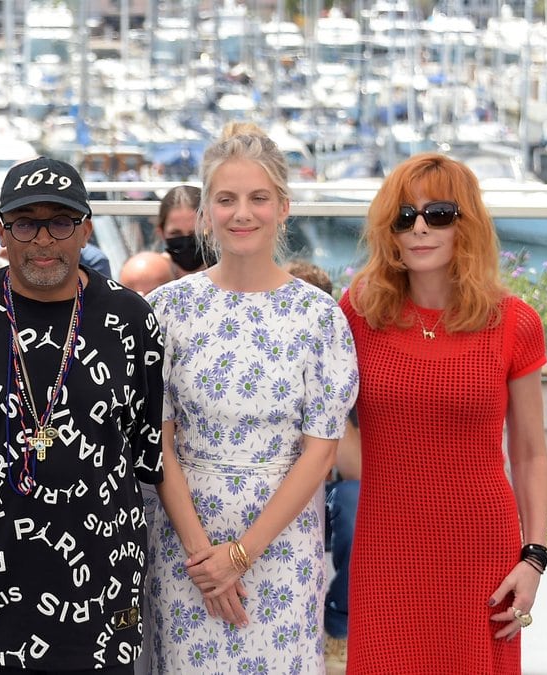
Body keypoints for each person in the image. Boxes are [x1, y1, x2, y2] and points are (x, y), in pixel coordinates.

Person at [0, 155, 164, 672]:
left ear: (86, 230)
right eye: (26, 223)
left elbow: (143, 448)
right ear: (1, 231)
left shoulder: (133, 322)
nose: (44, 240)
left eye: (61, 221)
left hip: (100, 589)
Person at [142, 123, 358, 673]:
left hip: (281, 550)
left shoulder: (319, 317)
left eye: (258, 198)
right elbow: (158, 441)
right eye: (227, 199)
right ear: (207, 211)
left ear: (283, 207)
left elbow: (322, 452)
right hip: (186, 549)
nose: (243, 213)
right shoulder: (168, 309)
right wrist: (204, 562)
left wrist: (240, 555)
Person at [340, 152, 547, 672]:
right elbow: (324, 423)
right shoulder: (359, 313)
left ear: (467, 224)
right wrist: (391, 476)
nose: (419, 229)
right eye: (403, 216)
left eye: (438, 214)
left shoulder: (514, 323)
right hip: (387, 549)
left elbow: (528, 453)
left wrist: (534, 558)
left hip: (482, 550)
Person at [283, 259, 361, 665]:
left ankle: (340, 625)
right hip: (262, 489)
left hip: (322, 492)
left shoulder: (341, 360)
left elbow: (354, 469)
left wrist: (325, 399)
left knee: (356, 501)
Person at [156, 184, 214, 278]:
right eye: (176, 234)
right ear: (161, 232)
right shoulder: (150, 275)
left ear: (212, 228)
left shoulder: (231, 275)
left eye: (195, 234)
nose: (186, 242)